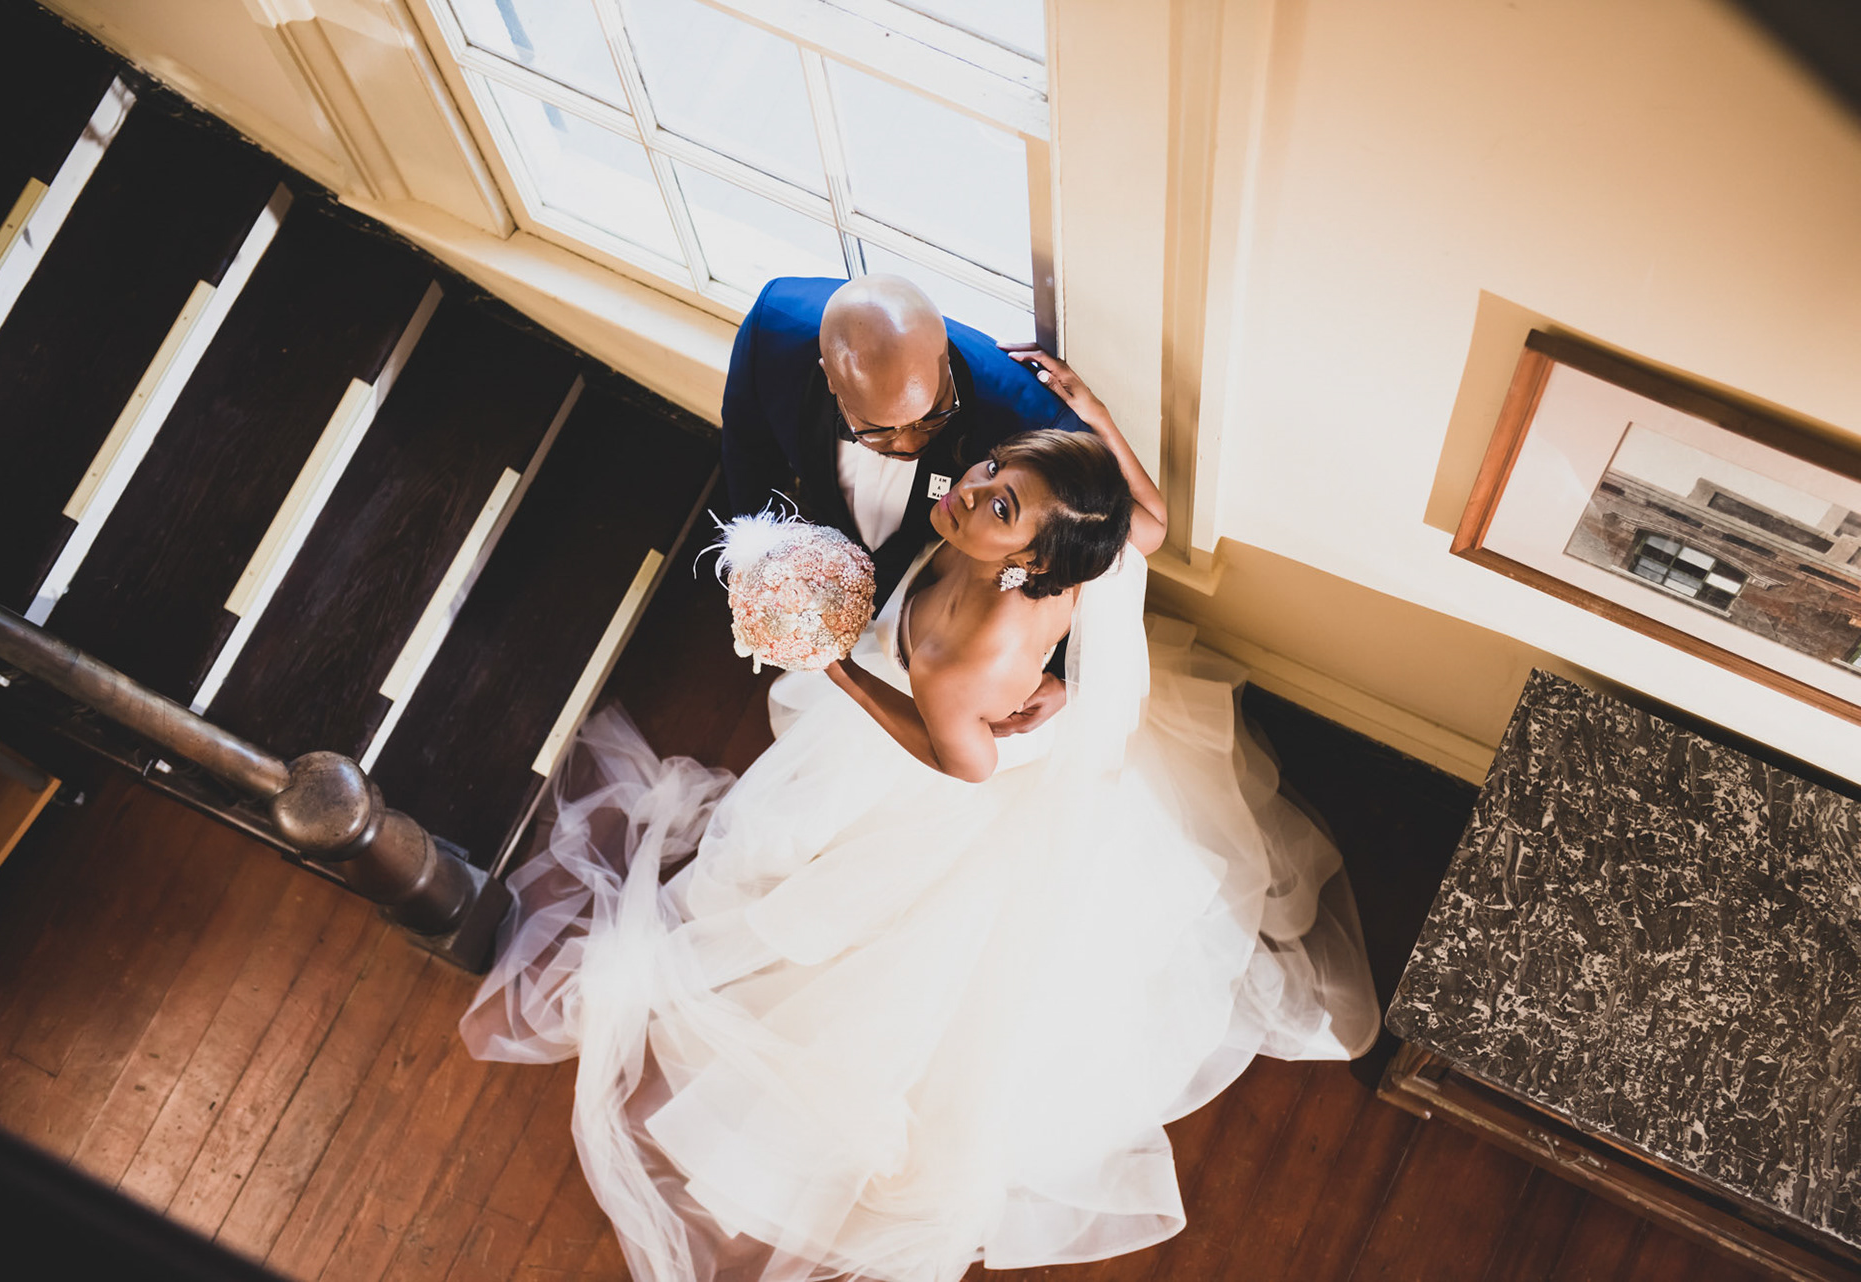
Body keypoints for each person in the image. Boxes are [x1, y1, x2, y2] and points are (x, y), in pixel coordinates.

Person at [462, 349, 1381, 1282]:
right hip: (1019, 709)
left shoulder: (956, 661)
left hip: (971, 757)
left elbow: (963, 764)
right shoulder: (1077, 540)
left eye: (999, 506)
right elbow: (1151, 523)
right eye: (991, 470)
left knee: (874, 942)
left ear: (1028, 562)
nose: (969, 490)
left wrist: (842, 671)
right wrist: (1090, 408)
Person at [722, 274, 1090, 736]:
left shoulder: (1034, 419)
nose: (910, 443)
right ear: (830, 378)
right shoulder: (771, 333)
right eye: (877, 430)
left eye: (933, 416)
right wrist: (760, 565)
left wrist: (1070, 676)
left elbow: (1093, 548)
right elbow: (748, 452)